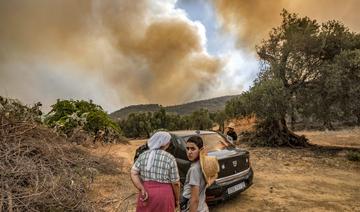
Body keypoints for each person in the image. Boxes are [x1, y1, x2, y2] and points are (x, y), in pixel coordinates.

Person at [131, 131, 180, 212]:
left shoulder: (143, 155)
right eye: (168, 141)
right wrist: (177, 199)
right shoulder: (170, 158)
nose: (169, 143)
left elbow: (133, 172)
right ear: (164, 143)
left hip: (146, 193)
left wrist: (141, 188)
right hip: (164, 196)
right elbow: (175, 183)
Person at [181, 136, 208, 212]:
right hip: (202, 208)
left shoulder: (194, 169)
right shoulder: (203, 165)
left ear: (200, 150)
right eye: (187, 148)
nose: (189, 152)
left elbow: (194, 199)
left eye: (193, 149)